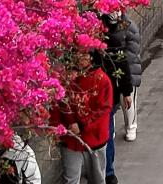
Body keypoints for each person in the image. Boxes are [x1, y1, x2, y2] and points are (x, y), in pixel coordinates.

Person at [53, 52, 113, 184]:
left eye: (84, 55)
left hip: (94, 139)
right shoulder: (66, 78)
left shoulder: (102, 80)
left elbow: (103, 110)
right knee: (70, 179)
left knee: (97, 179)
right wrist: (55, 127)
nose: (79, 59)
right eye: (77, 54)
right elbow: (57, 104)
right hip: (70, 138)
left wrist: (82, 125)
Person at [100, 14, 135, 184]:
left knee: (106, 134)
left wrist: (127, 91)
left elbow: (123, 65)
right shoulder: (112, 40)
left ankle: (106, 171)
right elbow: (123, 65)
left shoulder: (109, 41)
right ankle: (107, 172)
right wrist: (126, 92)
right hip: (108, 94)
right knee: (107, 133)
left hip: (107, 95)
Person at [120, 15, 142, 143]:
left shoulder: (129, 26)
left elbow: (132, 54)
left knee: (128, 100)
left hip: (129, 68)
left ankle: (131, 127)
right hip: (117, 68)